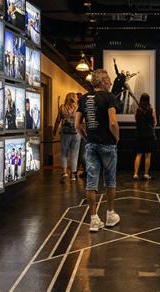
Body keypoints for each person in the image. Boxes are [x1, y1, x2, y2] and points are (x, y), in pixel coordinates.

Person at [75, 69, 120, 232]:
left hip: (91, 144)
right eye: (108, 79)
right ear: (102, 81)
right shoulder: (109, 97)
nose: (110, 82)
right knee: (110, 180)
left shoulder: (84, 98)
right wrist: (117, 138)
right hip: (108, 144)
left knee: (91, 182)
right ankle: (110, 215)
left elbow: (77, 124)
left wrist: (87, 138)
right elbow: (113, 122)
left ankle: (94, 219)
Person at [53, 93, 80, 182]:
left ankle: (64, 172)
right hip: (76, 133)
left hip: (65, 133)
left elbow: (57, 120)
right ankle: (73, 175)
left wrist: (54, 131)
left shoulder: (62, 107)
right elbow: (82, 122)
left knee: (64, 153)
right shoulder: (78, 108)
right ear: (74, 98)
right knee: (74, 154)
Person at [133, 93, 157, 180]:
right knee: (147, 155)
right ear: (148, 100)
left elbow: (136, 121)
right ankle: (146, 174)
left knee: (138, 155)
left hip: (139, 134)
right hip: (149, 135)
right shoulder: (152, 110)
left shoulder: (137, 110)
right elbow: (155, 123)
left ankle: (135, 174)